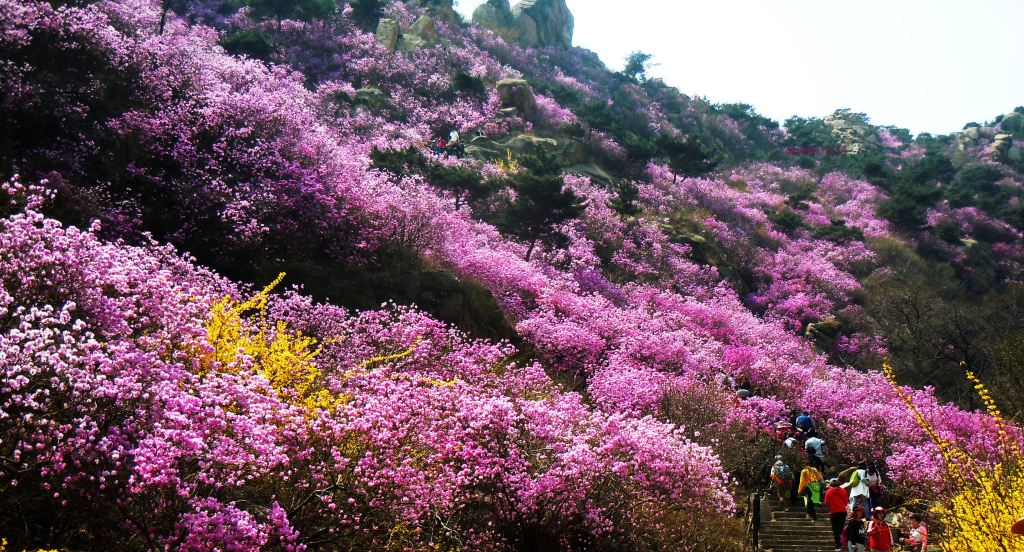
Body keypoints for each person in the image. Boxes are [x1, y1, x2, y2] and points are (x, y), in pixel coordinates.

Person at [824, 478, 849, 551]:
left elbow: (826, 502)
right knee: (841, 528)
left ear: (831, 484)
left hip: (834, 512)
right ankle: (843, 543)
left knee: (835, 529)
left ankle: (838, 546)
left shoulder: (828, 491)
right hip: (842, 512)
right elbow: (846, 501)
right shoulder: (843, 490)